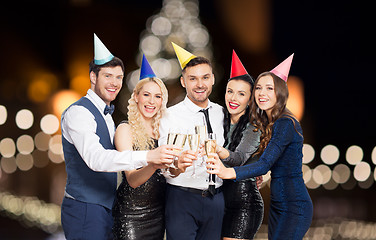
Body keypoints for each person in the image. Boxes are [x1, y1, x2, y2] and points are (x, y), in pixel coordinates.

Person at [60, 34, 177, 240]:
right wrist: (148, 157)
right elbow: (96, 159)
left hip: (109, 208)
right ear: (93, 77)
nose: (114, 82)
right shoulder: (79, 113)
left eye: (119, 77)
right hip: (86, 208)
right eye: (107, 76)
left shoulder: (107, 116)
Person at [207, 54, 313, 240]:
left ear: (280, 93)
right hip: (278, 203)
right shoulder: (269, 123)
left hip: (294, 205)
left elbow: (264, 164)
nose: (262, 93)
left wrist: (227, 172)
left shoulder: (285, 122)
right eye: (258, 88)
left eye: (269, 88)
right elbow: (267, 161)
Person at [158, 42, 225, 240]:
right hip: (181, 198)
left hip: (217, 199)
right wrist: (177, 163)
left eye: (205, 77)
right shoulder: (169, 116)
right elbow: (163, 159)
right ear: (183, 82)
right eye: (193, 79)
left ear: (212, 79)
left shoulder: (223, 114)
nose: (200, 84)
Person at [112, 55, 169, 240]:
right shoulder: (125, 129)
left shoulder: (163, 133)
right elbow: (132, 180)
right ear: (136, 97)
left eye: (157, 96)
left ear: (162, 101)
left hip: (158, 216)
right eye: (146, 95)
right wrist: (154, 162)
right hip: (131, 216)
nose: (151, 101)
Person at [214, 50, 264, 240]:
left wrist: (215, 149)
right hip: (217, 202)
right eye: (230, 91)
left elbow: (239, 159)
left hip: (244, 203)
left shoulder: (254, 128)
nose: (233, 98)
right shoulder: (217, 119)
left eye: (241, 94)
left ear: (250, 99)